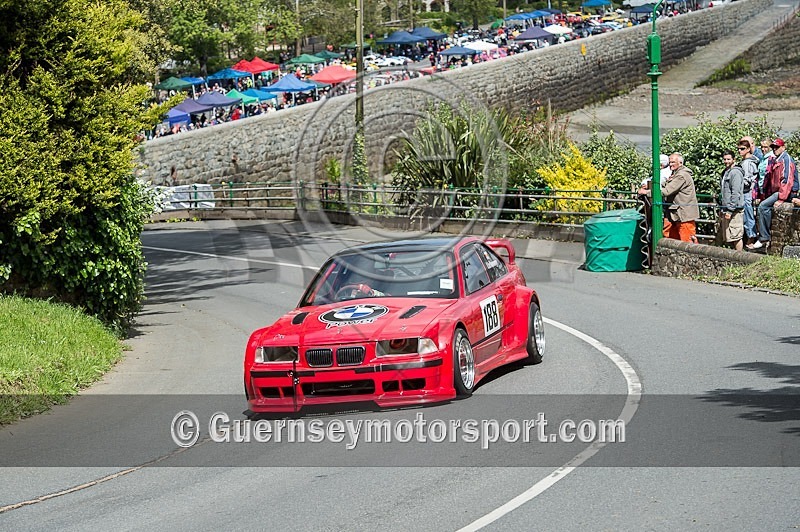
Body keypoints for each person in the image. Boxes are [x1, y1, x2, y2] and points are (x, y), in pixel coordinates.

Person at [750, 138, 798, 250]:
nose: (774, 149)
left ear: (783, 147)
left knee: (763, 206)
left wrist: (781, 198)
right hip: (778, 191)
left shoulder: (786, 160)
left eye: (777, 147)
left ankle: (764, 237)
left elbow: (787, 181)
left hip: (787, 192)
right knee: (763, 204)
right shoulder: (777, 159)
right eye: (773, 147)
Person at [661, 153, 700, 242]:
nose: (670, 164)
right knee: (675, 242)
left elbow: (667, 191)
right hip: (677, 215)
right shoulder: (676, 174)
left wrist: (648, 192)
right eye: (670, 162)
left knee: (687, 243)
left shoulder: (681, 176)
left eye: (673, 162)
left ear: (680, 163)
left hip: (684, 215)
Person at [718, 150, 745, 251]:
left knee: (736, 236)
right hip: (727, 208)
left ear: (734, 159)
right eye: (724, 159)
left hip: (735, 209)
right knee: (729, 236)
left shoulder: (735, 173)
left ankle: (739, 258)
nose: (726, 161)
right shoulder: (726, 172)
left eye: (728, 159)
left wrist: (730, 209)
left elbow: (736, 192)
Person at [737, 139, 760, 246]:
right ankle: (751, 237)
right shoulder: (752, 161)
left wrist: (738, 186)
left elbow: (747, 180)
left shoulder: (747, 163)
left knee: (748, 216)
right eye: (738, 149)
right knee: (748, 215)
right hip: (748, 192)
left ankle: (751, 238)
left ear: (748, 149)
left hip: (747, 192)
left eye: (742, 149)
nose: (739, 151)